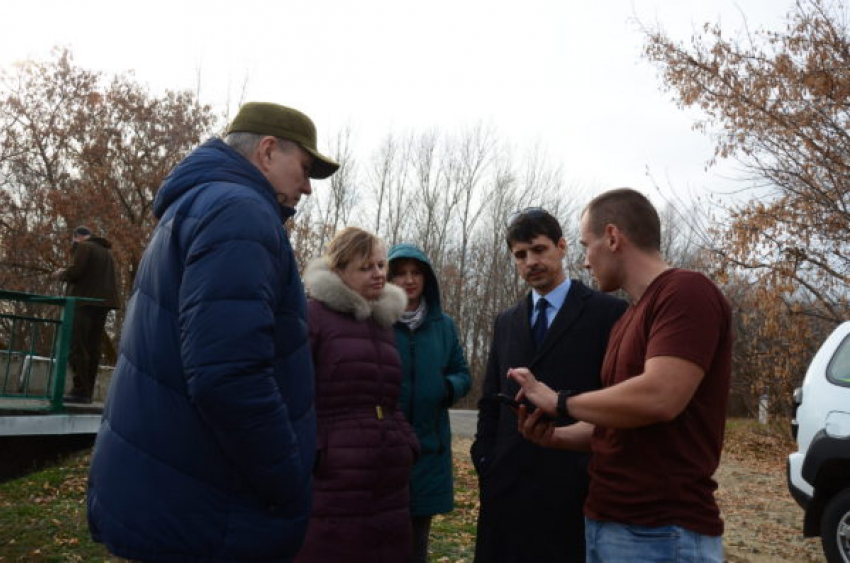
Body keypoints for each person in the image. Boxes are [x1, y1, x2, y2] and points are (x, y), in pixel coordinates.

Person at [86, 102, 340, 562]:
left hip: (176, 493)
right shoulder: (240, 213)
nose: (306, 187)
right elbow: (229, 374)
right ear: (266, 151)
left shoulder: (194, 206)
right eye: (304, 169)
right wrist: (287, 476)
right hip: (207, 511)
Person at [510, 188, 734, 563]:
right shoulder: (626, 318)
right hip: (606, 522)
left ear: (612, 237)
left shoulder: (686, 292)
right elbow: (619, 425)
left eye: (586, 245)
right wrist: (555, 437)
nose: (584, 261)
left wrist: (560, 400)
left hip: (663, 532)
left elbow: (660, 396)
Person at [470, 208, 627, 562]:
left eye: (539, 250)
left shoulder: (608, 313)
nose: (531, 262)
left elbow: (619, 400)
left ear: (561, 246)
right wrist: (485, 458)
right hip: (508, 489)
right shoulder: (507, 321)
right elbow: (489, 399)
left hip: (576, 489)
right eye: (520, 255)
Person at [296, 227, 420, 563]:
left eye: (381, 265)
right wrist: (320, 450)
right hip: (335, 481)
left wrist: (405, 441)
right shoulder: (313, 316)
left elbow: (390, 399)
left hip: (388, 480)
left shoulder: (383, 322)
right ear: (338, 271)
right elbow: (294, 395)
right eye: (367, 267)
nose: (379, 274)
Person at [388, 243, 472, 563]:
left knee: (416, 540)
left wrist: (446, 387)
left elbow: (462, 373)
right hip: (386, 445)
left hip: (429, 447)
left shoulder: (444, 326)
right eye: (401, 274)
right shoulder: (377, 321)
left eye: (416, 273)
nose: (409, 280)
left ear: (426, 280)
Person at [53, 226, 120, 403]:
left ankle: (79, 391)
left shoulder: (84, 247)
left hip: (83, 303)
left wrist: (61, 274)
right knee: (93, 348)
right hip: (102, 305)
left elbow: (75, 273)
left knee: (78, 346)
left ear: (78, 237)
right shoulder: (107, 252)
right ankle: (87, 392)